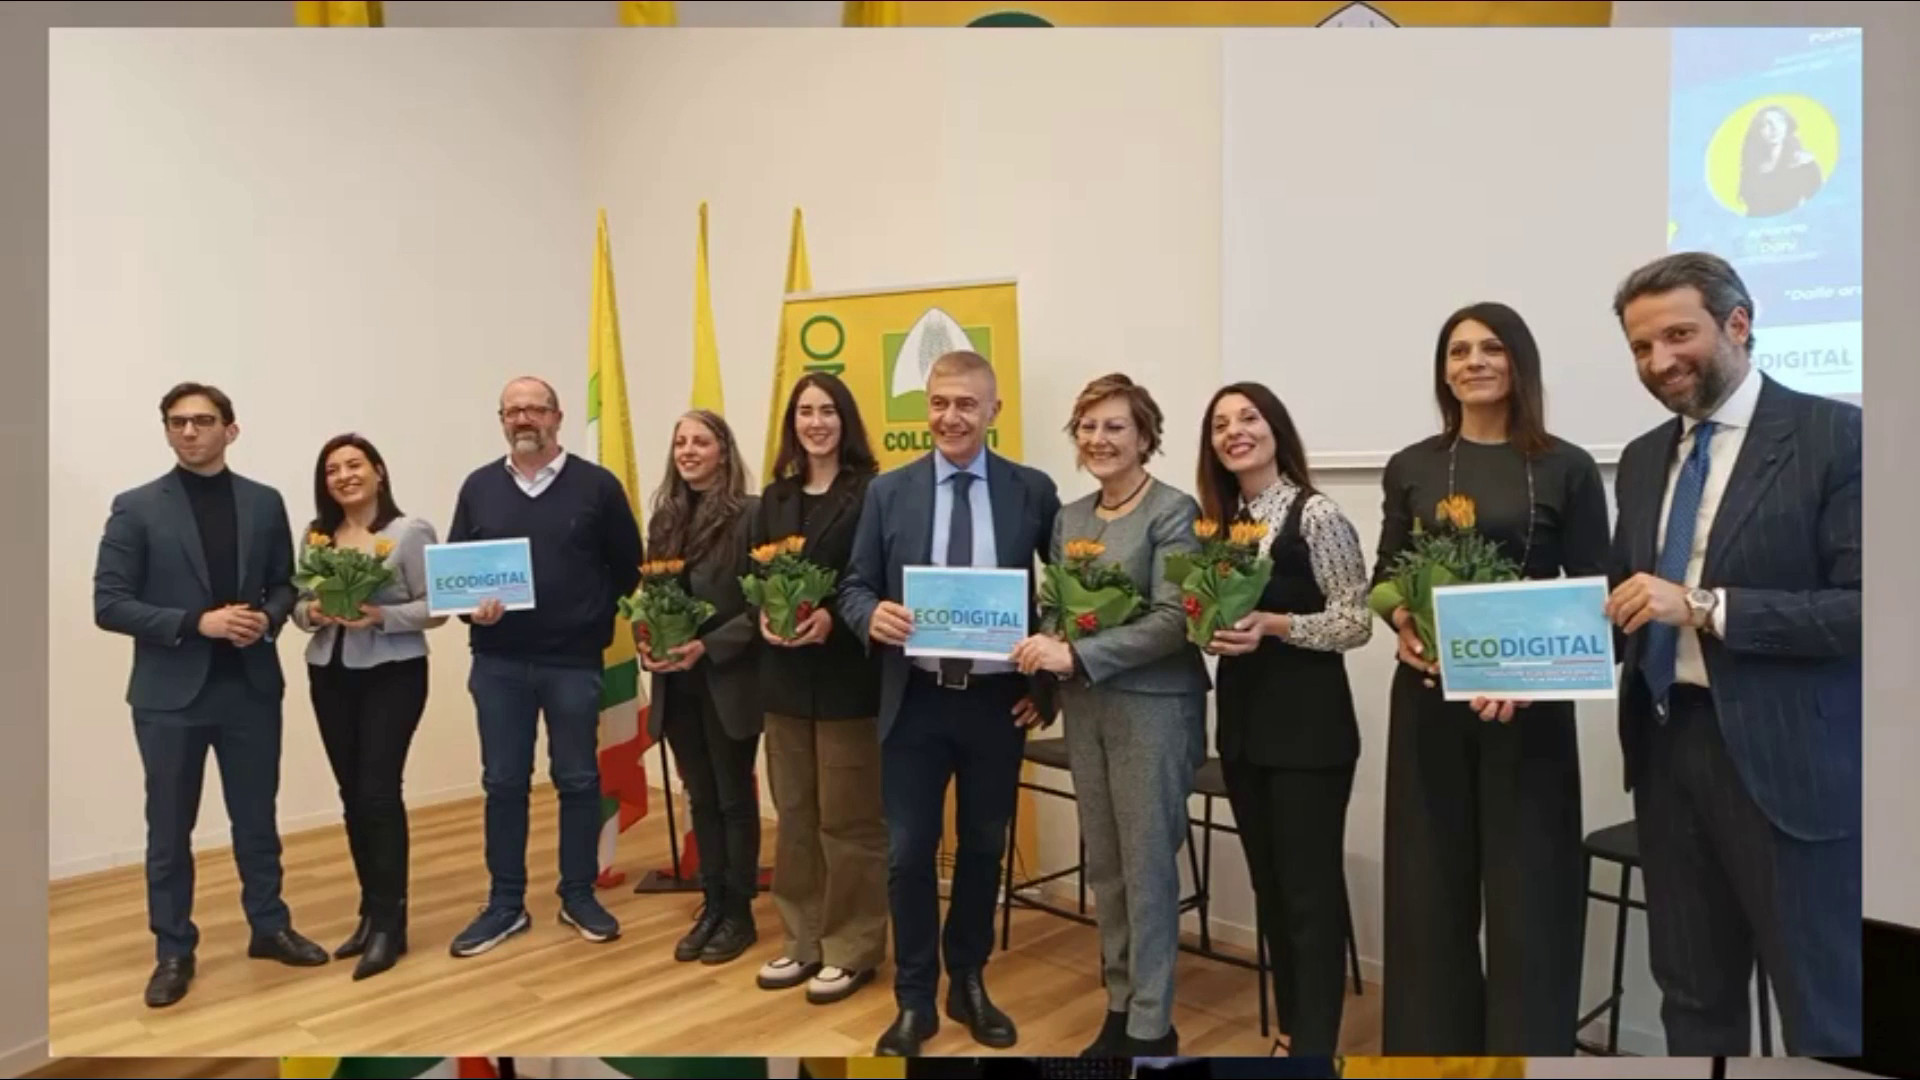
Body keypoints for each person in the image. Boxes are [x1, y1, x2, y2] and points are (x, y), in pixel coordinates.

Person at [1605, 251, 1861, 1056]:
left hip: (1787, 767)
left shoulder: (1835, 435)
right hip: (1664, 749)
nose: (1659, 361)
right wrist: (1510, 657)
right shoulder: (1643, 458)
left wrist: (1706, 607)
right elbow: (1626, 599)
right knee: (1693, 998)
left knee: (1823, 1007)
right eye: (1641, 347)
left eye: (1677, 335)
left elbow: (1871, 610)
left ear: (1738, 324)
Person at [1374, 303, 1609, 1055]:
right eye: (1458, 350)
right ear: (1443, 371)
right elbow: (1385, 578)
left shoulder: (1567, 465)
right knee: (1427, 894)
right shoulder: (1412, 465)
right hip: (1427, 703)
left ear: (1519, 363)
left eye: (1491, 348)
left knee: (1530, 901)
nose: (1473, 361)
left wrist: (1533, 676)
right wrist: (1402, 623)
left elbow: (1597, 593)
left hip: (1527, 712)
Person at [838, 349, 1061, 1056]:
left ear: (994, 411)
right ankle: (914, 999)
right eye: (939, 402)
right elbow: (853, 585)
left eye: (966, 403)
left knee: (985, 847)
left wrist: (1045, 683)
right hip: (916, 701)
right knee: (908, 853)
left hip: (998, 704)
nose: (951, 416)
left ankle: (968, 982)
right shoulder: (888, 491)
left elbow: (1067, 595)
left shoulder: (1033, 490)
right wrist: (869, 615)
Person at [92, 381, 329, 1008]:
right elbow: (109, 604)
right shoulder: (136, 507)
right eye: (177, 422)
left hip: (250, 687)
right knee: (170, 829)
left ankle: (269, 927)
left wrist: (266, 618)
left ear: (231, 429)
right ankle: (174, 949)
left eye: (201, 420)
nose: (189, 431)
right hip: (170, 697)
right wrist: (196, 623)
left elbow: (283, 584)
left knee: (257, 819)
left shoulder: (263, 501)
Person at [1008, 373, 1209, 1057]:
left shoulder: (1174, 512)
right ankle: (1120, 1002)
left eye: (1115, 426)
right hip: (1086, 708)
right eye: (1088, 427)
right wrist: (1044, 660)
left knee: (1147, 866)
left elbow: (1175, 621)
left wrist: (1076, 654)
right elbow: (1057, 610)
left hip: (1155, 711)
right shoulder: (1070, 517)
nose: (1099, 439)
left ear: (1145, 437)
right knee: (1107, 867)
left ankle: (1153, 1023)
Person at [1197, 382, 1372, 1057]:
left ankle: (1315, 1048)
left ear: (1276, 429)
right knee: (1269, 888)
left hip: (1309, 735)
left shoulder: (1317, 514)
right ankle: (1297, 1031)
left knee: (1308, 893)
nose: (1234, 431)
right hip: (1245, 732)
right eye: (1220, 424)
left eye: (1248, 418)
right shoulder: (1219, 525)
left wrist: (1276, 624)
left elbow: (1355, 621)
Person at [443, 376, 643, 957]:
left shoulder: (597, 486)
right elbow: (458, 571)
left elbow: (628, 567)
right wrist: (472, 610)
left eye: (535, 409)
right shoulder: (479, 487)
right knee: (503, 783)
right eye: (513, 410)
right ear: (502, 420)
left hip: (573, 663)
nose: (524, 418)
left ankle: (578, 893)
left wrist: (588, 615)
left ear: (557, 416)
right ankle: (505, 903)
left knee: (578, 779)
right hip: (498, 662)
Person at [749, 374, 889, 1003]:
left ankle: (852, 947)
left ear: (845, 420)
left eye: (828, 410)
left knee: (849, 821)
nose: (816, 422)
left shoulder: (873, 492)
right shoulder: (774, 497)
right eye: (805, 412)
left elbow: (879, 578)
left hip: (846, 681)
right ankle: (801, 940)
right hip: (783, 682)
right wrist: (763, 612)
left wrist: (832, 616)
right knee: (796, 817)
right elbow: (755, 573)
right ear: (793, 424)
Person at [288, 433, 445, 980]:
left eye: (354, 465)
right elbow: (298, 604)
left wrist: (381, 617)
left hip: (392, 674)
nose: (344, 476)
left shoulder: (409, 532)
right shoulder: (317, 534)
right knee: (352, 795)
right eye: (332, 470)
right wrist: (314, 614)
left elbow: (436, 607)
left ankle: (390, 925)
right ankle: (369, 912)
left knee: (378, 793)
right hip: (329, 672)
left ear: (378, 471)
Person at [641, 408, 764, 966]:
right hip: (677, 685)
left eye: (701, 442)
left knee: (733, 799)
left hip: (726, 679)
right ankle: (711, 904)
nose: (688, 451)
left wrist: (708, 646)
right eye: (680, 442)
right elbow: (651, 595)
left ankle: (739, 913)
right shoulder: (664, 520)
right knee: (700, 797)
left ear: (723, 452)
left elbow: (762, 606)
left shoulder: (750, 515)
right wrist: (647, 638)